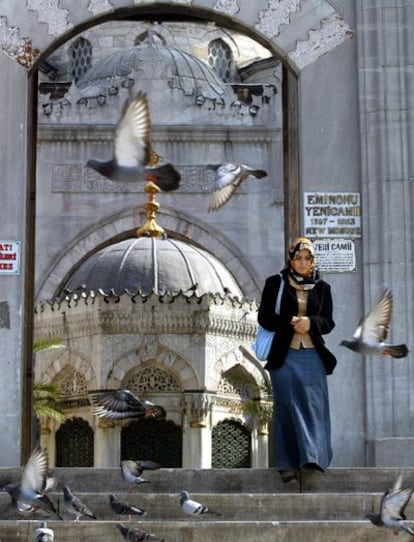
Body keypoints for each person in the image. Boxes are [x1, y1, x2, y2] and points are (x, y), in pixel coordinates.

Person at [257, 237, 337, 484]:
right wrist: (292, 322)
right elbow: (265, 318)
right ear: (291, 260)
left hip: (312, 353)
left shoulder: (322, 288)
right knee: (286, 406)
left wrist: (311, 323)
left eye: (307, 258)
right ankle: (286, 465)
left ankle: (312, 457)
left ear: (313, 261)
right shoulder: (276, 283)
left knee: (314, 406)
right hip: (284, 355)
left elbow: (328, 322)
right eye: (298, 258)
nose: (303, 262)